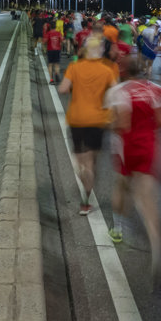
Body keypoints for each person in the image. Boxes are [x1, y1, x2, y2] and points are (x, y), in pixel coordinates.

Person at [106, 54, 161, 290]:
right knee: (148, 202)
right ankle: (156, 250)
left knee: (121, 185)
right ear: (144, 70)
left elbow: (121, 123)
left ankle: (118, 228)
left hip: (126, 147)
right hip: (149, 147)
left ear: (124, 71)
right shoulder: (157, 90)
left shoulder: (118, 91)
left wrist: (108, 124)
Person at [58, 41, 119, 215]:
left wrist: (74, 86)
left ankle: (81, 169)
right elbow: (116, 93)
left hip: (77, 119)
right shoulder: (107, 70)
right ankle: (85, 202)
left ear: (85, 50)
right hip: (98, 121)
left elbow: (63, 89)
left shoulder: (74, 67)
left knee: (80, 158)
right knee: (92, 162)